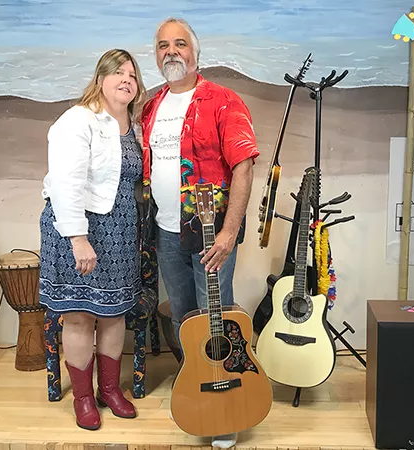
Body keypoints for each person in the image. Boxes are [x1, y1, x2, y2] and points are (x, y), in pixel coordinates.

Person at [140, 17, 259, 448]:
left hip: (212, 233)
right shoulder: (151, 107)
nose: (170, 51)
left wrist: (229, 232)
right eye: (162, 46)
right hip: (166, 233)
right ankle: (198, 389)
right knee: (183, 320)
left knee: (216, 317)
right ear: (156, 56)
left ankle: (226, 409)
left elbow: (243, 165)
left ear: (195, 53)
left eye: (179, 44)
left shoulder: (223, 101)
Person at [38, 49, 147, 431]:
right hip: (78, 231)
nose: (126, 79)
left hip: (118, 232)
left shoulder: (133, 126)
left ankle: (110, 390)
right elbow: (66, 183)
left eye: (132, 74)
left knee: (114, 313)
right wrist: (79, 239)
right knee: (81, 316)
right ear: (100, 78)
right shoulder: (78, 120)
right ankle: (84, 397)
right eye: (118, 72)